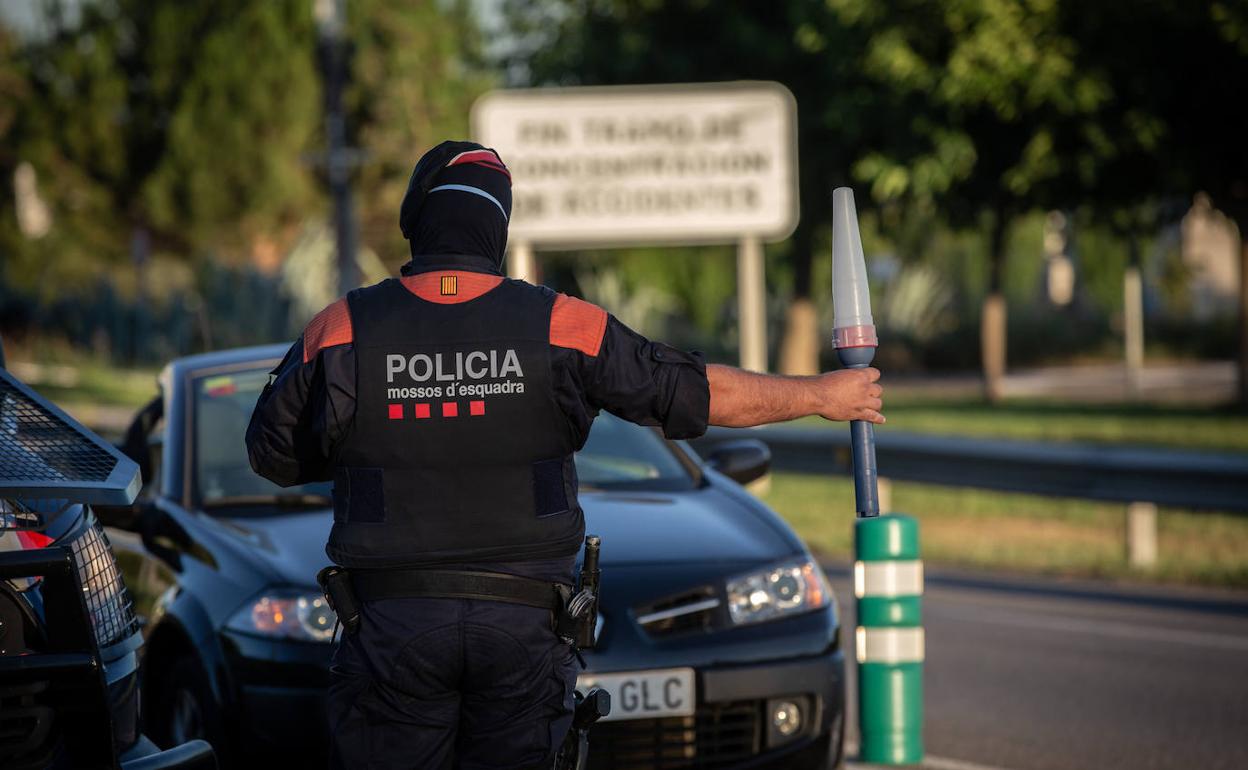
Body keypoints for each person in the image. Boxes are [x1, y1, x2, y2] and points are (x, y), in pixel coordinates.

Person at [245, 140, 884, 770]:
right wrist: (823, 394)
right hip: (524, 629)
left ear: (418, 221)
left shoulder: (343, 326)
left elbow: (271, 452)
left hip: (390, 630)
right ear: (496, 226)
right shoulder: (563, 323)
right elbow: (695, 393)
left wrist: (377, 434)